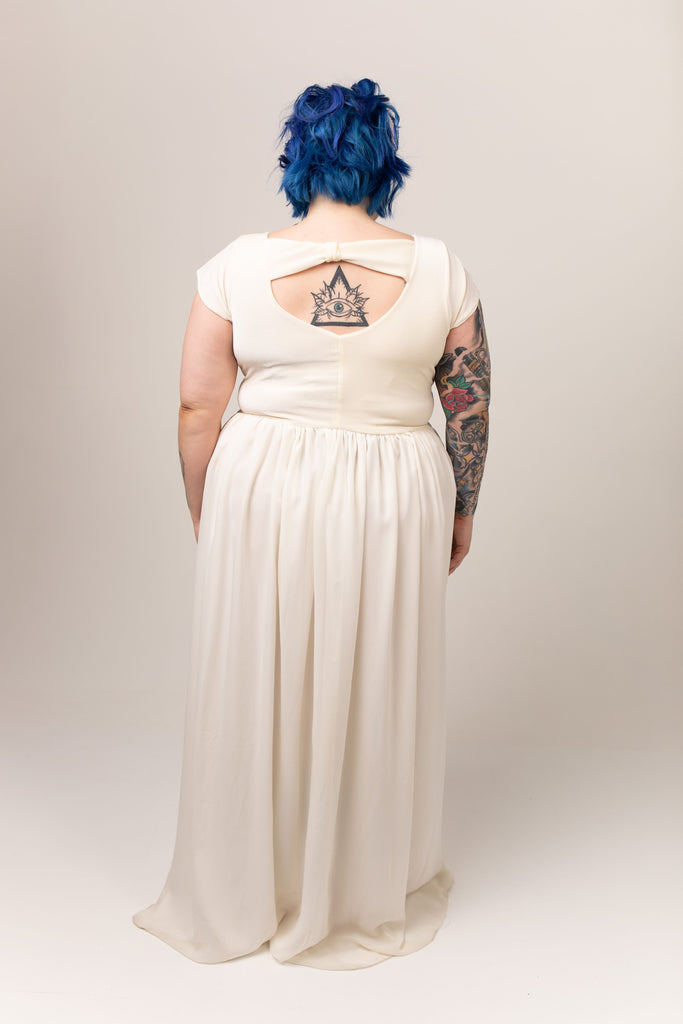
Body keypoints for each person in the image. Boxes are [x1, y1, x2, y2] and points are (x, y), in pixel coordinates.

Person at [132, 77, 491, 971]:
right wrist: (462, 507)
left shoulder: (233, 266)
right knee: (374, 675)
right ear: (384, 164)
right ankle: (357, 881)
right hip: (395, 488)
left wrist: (205, 505)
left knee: (261, 670)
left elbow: (196, 407)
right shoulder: (442, 269)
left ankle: (254, 879)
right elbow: (468, 405)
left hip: (263, 484)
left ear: (295, 159)